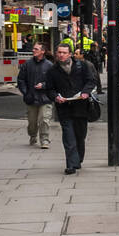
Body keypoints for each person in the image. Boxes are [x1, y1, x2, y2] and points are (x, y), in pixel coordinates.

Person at [47, 41, 97, 175]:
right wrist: (56, 97)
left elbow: (91, 80)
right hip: (64, 108)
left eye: (64, 52)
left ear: (70, 54)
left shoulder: (82, 65)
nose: (61, 55)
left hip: (80, 106)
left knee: (80, 136)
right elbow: (49, 89)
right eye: (59, 52)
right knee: (68, 136)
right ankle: (70, 165)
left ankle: (78, 159)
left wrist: (86, 92)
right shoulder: (52, 70)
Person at [16, 41, 55, 148]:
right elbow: (21, 80)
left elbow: (54, 82)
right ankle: (33, 135)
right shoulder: (27, 64)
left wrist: (43, 85)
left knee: (44, 119)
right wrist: (25, 92)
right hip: (31, 97)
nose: (33, 50)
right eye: (33, 49)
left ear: (43, 51)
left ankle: (45, 140)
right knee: (32, 122)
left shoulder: (49, 65)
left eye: (36, 49)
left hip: (45, 98)